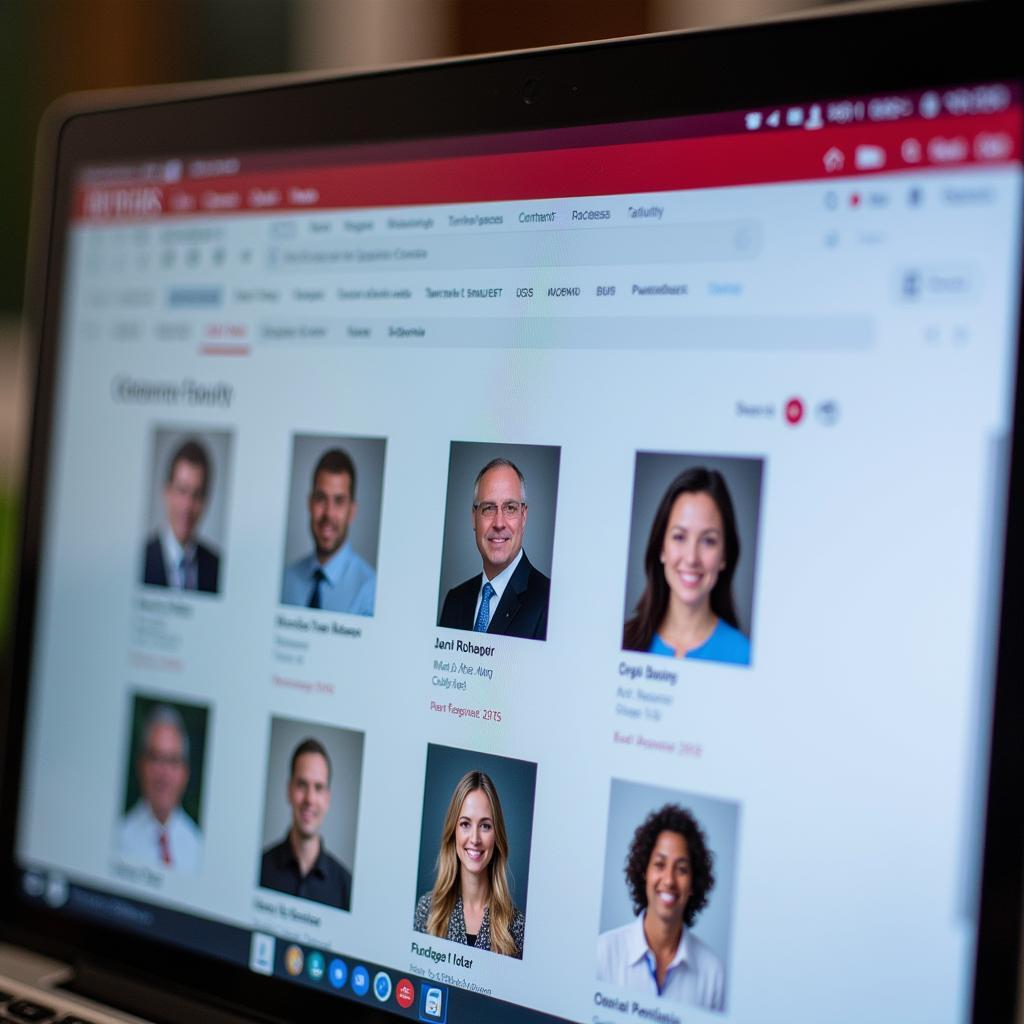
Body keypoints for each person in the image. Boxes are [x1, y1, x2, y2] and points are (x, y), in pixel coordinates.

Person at [597, 804, 724, 1011]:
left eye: (681, 869)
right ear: (644, 872)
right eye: (659, 864)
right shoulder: (603, 953)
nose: (669, 880)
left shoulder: (714, 974)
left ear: (693, 883)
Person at [623, 467, 750, 665]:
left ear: (724, 555)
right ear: (661, 548)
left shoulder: (745, 656)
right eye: (679, 537)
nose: (691, 558)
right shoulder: (623, 641)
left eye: (708, 540)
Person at [413, 770, 525, 959]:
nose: (475, 839)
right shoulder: (428, 910)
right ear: (453, 831)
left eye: (485, 826)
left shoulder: (517, 927)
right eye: (465, 824)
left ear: (497, 836)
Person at [438, 458, 550, 640]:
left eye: (510, 508)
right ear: (474, 518)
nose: (499, 523)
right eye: (488, 508)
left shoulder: (548, 602)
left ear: (524, 516)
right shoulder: (454, 600)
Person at [280, 448, 376, 615]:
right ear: (310, 503)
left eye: (339, 501)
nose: (328, 513)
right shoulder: (286, 580)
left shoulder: (370, 591)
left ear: (352, 511)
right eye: (321, 499)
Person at [260, 738, 352, 910]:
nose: (309, 799)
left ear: (327, 798)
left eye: (318, 788)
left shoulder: (346, 887)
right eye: (302, 785)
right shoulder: (259, 869)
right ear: (289, 790)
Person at [117, 704, 203, 872]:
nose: (164, 773)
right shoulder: (118, 838)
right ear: (141, 765)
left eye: (173, 760)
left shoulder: (198, 846)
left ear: (184, 772)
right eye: (156, 758)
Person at [142, 438, 220, 593]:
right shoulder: (141, 559)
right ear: (167, 492)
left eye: (197, 495)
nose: (187, 506)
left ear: (206, 500)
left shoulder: (217, 567)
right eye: (182, 490)